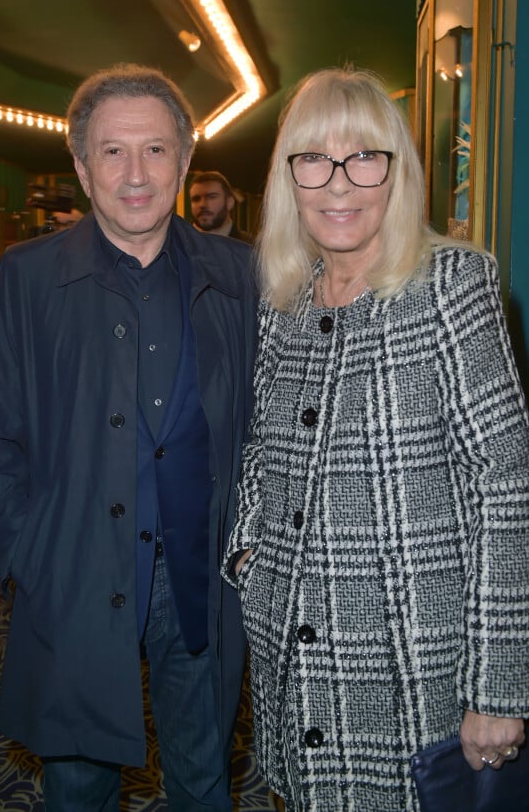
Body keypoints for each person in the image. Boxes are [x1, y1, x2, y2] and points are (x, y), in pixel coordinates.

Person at [222, 67, 529, 812]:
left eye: (364, 156)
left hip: (411, 668)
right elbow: (261, 447)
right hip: (289, 651)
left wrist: (499, 685)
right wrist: (248, 552)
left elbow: (507, 483)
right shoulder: (283, 300)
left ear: (398, 170)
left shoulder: (453, 284)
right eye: (312, 158)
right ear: (287, 177)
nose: (338, 183)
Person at [0, 63, 257, 812]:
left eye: (155, 150)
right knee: (79, 786)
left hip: (202, 583)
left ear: (184, 163)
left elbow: (271, 424)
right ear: (82, 167)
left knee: (202, 779)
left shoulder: (244, 274)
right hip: (78, 577)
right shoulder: (29, 277)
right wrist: (30, 555)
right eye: (113, 152)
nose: (135, 173)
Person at [189, 170, 252, 242]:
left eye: (212, 197)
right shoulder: (177, 244)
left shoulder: (252, 248)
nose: (203, 204)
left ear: (229, 202)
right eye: (196, 199)